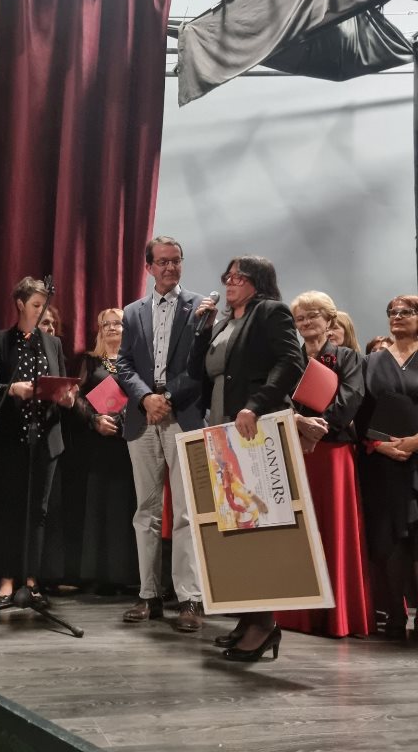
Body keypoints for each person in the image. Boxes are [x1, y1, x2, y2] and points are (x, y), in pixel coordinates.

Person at [188, 255, 303, 660]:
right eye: (228, 275)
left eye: (239, 276)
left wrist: (255, 404)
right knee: (238, 527)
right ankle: (250, 617)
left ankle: (265, 624)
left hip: (256, 429)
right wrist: (202, 330)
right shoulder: (222, 322)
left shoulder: (271, 312)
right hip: (223, 431)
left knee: (260, 527)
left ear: (258, 281)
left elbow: (291, 362)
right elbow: (198, 371)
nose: (230, 281)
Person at [117, 236, 205, 632]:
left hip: (182, 415)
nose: (170, 267)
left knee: (186, 512)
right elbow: (122, 364)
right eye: (163, 261)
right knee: (146, 511)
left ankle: (189, 599)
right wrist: (145, 398)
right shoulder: (132, 311)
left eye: (176, 260)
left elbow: (200, 367)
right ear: (149, 267)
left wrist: (165, 398)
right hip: (143, 418)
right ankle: (149, 595)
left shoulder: (200, 308)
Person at [277, 291, 374, 637]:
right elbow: (278, 399)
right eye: (300, 318)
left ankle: (337, 616)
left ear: (330, 319)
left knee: (335, 529)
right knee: (301, 531)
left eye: (312, 315)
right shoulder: (290, 358)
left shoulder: (348, 357)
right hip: (297, 451)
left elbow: (351, 399)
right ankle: (297, 616)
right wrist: (298, 425)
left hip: (333, 454)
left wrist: (316, 430)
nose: (305, 322)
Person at [0, 277, 77, 606]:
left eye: (44, 305)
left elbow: (64, 386)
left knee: (39, 512)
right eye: (36, 305)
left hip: (45, 438)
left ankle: (32, 581)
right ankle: (7, 580)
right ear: (20, 305)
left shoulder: (52, 343)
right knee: (8, 509)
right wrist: (12, 389)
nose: (41, 311)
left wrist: (67, 398)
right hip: (11, 437)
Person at [357, 295, 418, 639]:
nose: (397, 316)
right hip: (382, 462)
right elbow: (360, 412)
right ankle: (395, 613)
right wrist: (381, 445)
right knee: (389, 539)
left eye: (406, 311)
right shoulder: (371, 361)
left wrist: (414, 442)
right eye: (392, 312)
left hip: (417, 458)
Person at [75, 308, 139, 592]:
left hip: (130, 442)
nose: (112, 328)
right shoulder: (90, 361)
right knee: (99, 504)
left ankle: (125, 575)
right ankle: (98, 575)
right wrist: (94, 420)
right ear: (100, 330)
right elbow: (76, 398)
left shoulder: (135, 361)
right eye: (106, 324)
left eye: (117, 323)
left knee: (125, 505)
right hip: (99, 442)